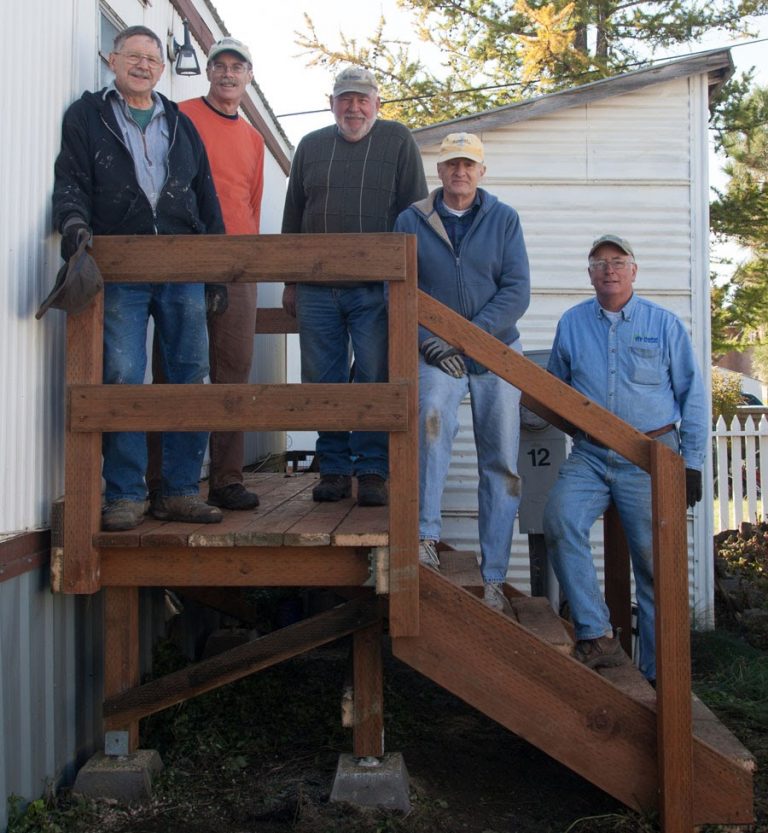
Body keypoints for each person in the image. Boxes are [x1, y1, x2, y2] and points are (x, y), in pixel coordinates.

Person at [52, 25, 225, 531]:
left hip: (183, 263)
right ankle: (125, 494)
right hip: (120, 266)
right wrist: (74, 226)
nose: (144, 65)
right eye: (134, 56)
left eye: (153, 58)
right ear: (113, 60)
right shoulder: (88, 116)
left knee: (190, 377)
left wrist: (215, 275)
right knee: (124, 376)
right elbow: (72, 182)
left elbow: (206, 198)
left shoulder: (181, 122)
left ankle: (178, 491)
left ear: (162, 68)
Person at [542, 234, 707, 683]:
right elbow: (556, 389)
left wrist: (690, 463)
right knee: (559, 518)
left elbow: (693, 396)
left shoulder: (665, 324)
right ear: (589, 274)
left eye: (618, 262)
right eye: (599, 264)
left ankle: (659, 676)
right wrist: (578, 427)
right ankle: (596, 634)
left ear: (634, 270)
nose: (609, 270)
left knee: (654, 566)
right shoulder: (572, 323)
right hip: (592, 456)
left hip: (652, 458)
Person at [393, 133, 531, 611]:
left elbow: (516, 291)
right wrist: (430, 343)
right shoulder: (410, 220)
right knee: (430, 423)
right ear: (440, 170)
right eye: (452, 163)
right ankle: (425, 538)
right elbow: (400, 291)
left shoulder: (504, 219)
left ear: (481, 172)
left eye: (469, 164)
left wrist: (470, 337)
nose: (460, 172)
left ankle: (494, 576)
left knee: (503, 461)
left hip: (495, 350)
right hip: (437, 354)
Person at [281, 66, 428, 507]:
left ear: (377, 104)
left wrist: (405, 286)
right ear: (332, 104)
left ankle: (372, 468)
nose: (354, 107)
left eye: (363, 99)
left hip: (376, 290)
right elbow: (293, 216)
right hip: (316, 288)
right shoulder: (310, 146)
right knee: (322, 380)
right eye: (346, 98)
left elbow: (414, 217)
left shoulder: (398, 141)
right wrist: (290, 280)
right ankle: (334, 468)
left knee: (374, 377)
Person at [148, 37, 265, 511]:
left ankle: (227, 479)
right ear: (209, 72)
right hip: (183, 259)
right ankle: (160, 482)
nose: (228, 74)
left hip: (237, 264)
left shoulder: (255, 138)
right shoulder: (178, 116)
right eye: (220, 65)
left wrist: (247, 261)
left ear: (248, 77)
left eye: (238, 66)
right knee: (174, 369)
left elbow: (251, 203)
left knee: (233, 369)